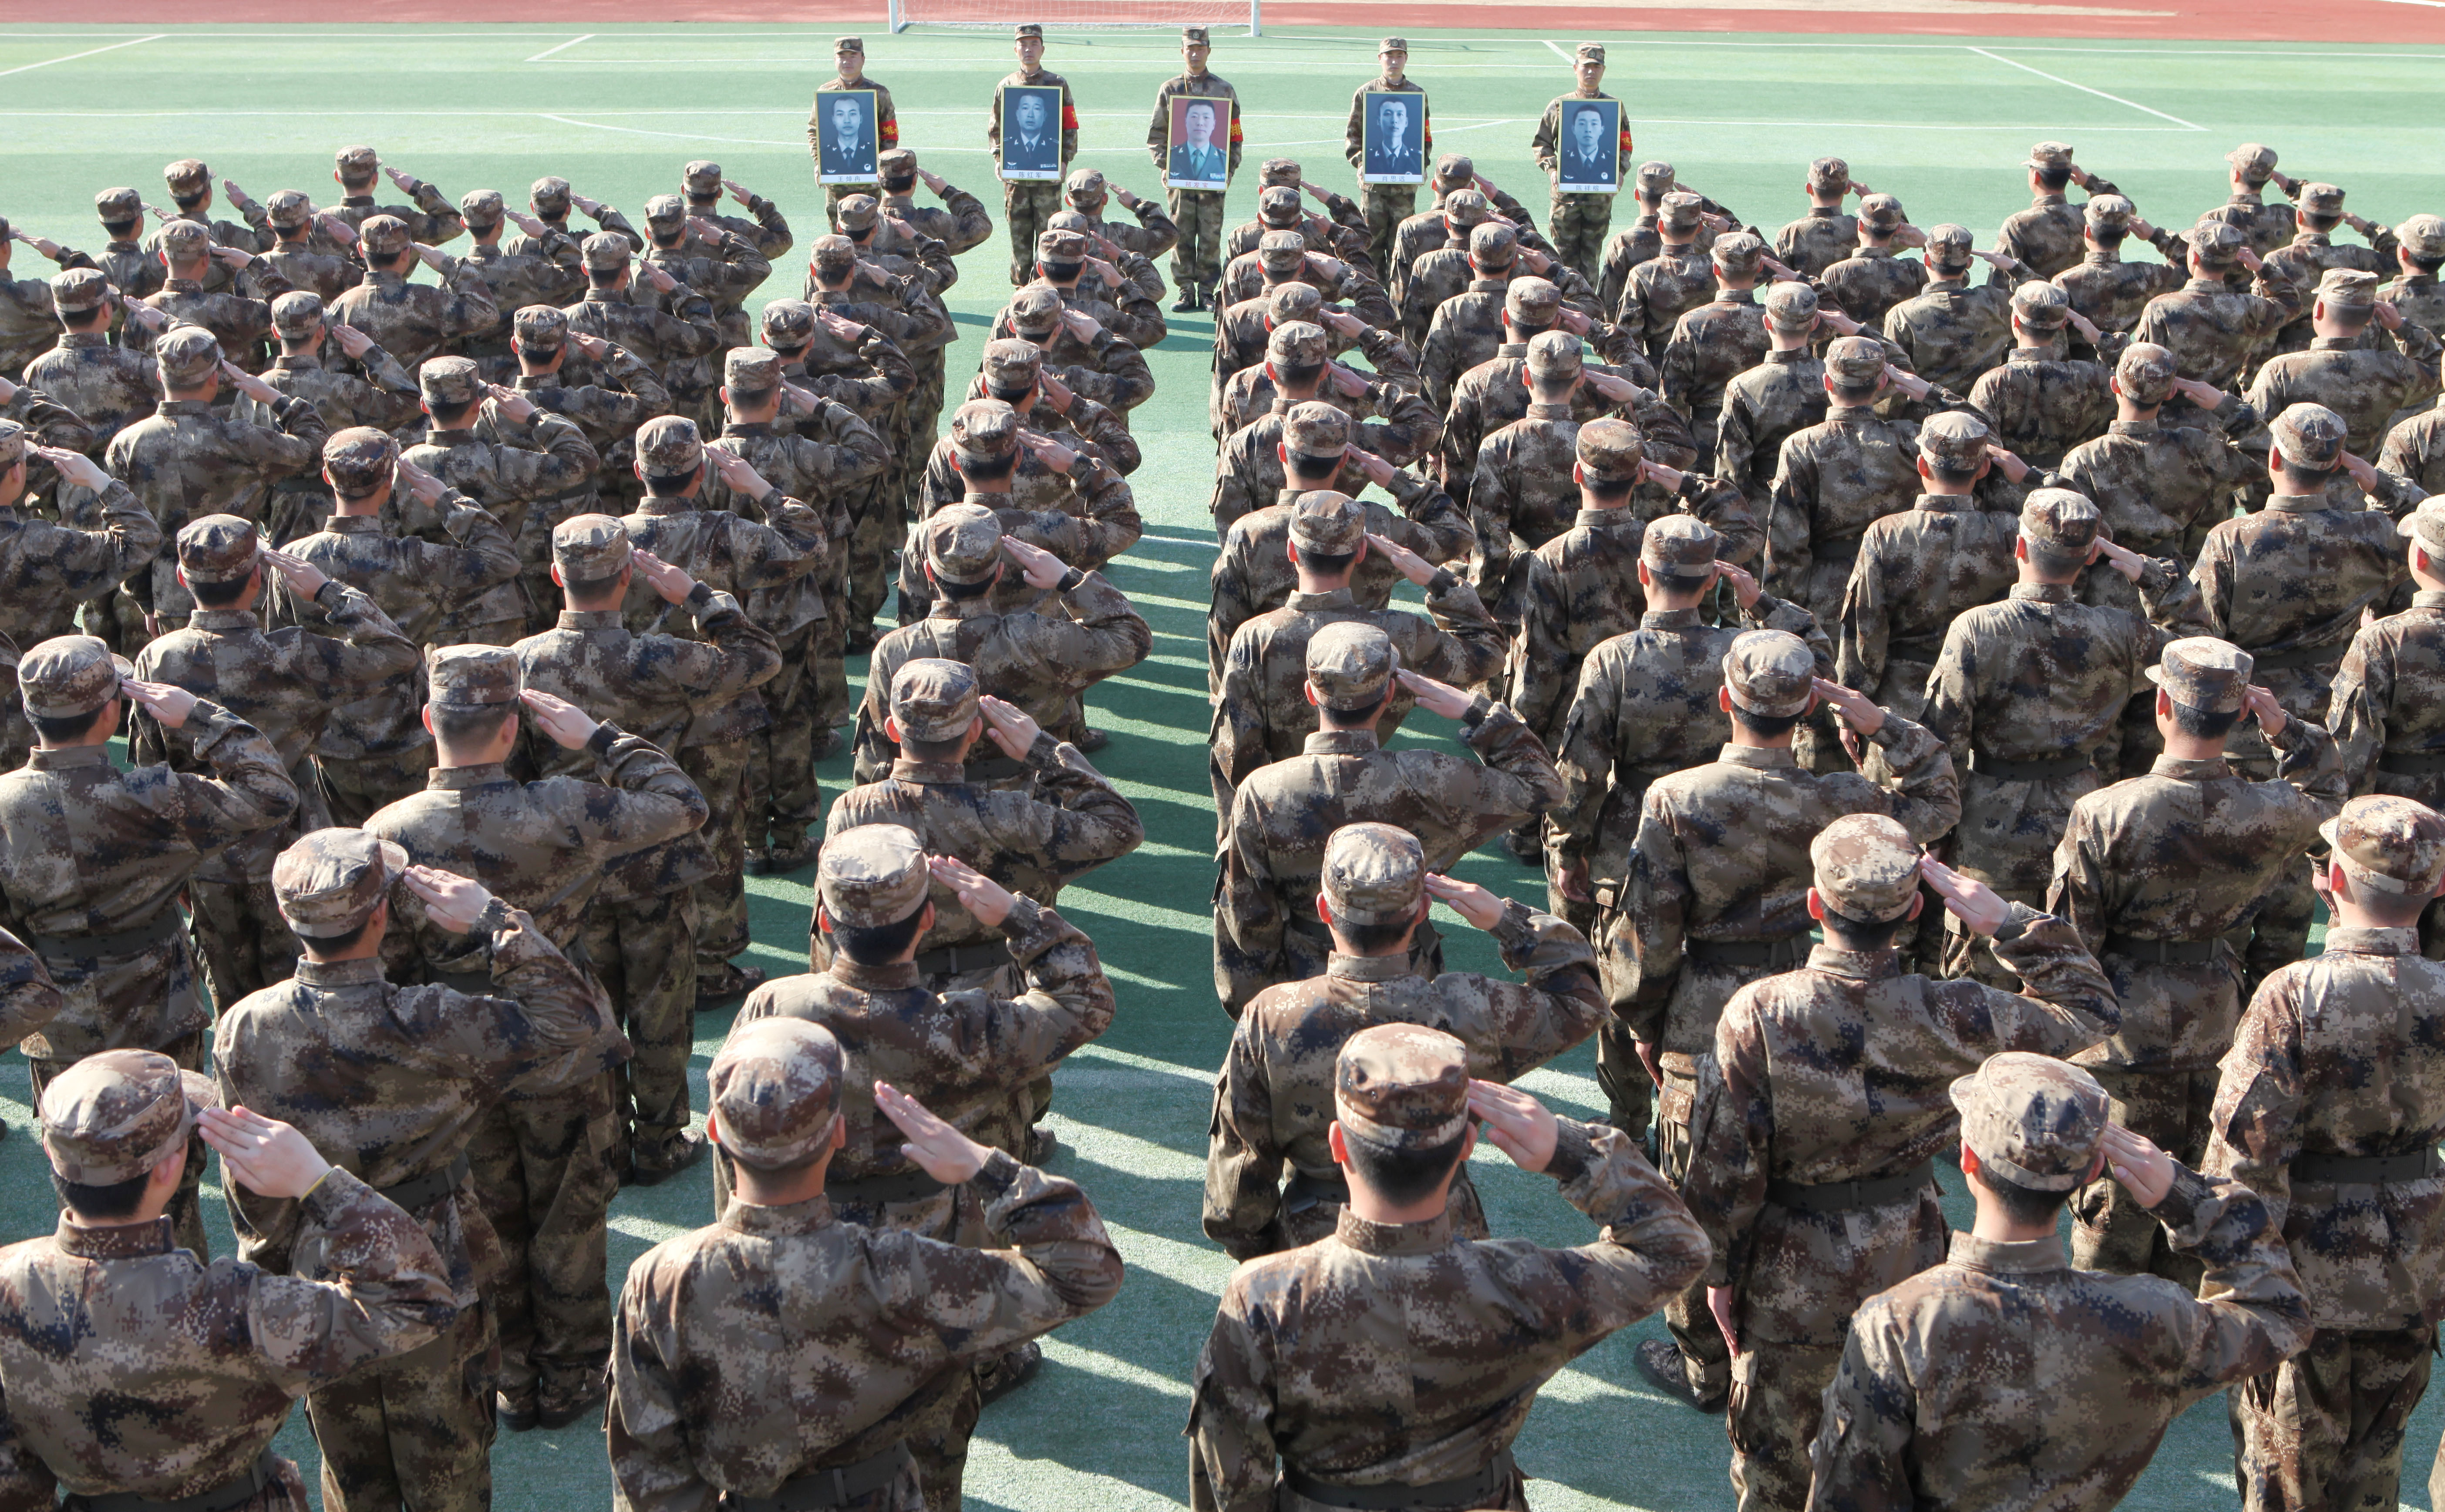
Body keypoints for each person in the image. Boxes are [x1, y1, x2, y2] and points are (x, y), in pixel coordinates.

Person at [1680, 816, 2116, 1512]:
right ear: (1915, 910)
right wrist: (2006, 921)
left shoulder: (1760, 1012)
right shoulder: (1955, 1011)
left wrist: (1720, 1275)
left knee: (1780, 1472)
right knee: (1897, 1458)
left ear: (1815, 904)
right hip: (1910, 1254)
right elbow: (2092, 1009)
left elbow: (1724, 1163)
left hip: (1789, 1267)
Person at [213, 829, 616, 1512]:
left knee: (350, 1472)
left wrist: (277, 1271)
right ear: (381, 915)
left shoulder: (243, 1027)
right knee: (449, 1470)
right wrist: (495, 918)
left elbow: (250, 1176)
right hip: (437, 1259)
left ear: (287, 915)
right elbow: (574, 1020)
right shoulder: (429, 1018)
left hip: (321, 1268)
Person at [1614, 631, 1959, 1414]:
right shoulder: (1845, 798)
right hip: (1820, 998)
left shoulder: (1676, 797)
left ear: (1725, 700)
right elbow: (1939, 799)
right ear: (1807, 708)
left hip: (1705, 1007)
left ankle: (1705, 1365)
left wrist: (1642, 1019)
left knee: (1699, 1183)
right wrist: (1879, 723)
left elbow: (1649, 928)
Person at [363, 647, 703, 1435]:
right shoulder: (562, 806)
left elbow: (387, 960)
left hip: (458, 1049)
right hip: (563, 1037)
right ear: (514, 727)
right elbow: (683, 804)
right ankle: (573, 1371)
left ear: (430, 720)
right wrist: (599, 737)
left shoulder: (388, 834)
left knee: (487, 1212)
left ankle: (516, 1375)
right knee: (570, 1211)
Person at [607, 1017, 1123, 1512]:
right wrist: (983, 1166)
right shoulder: (897, 1268)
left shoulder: (659, 1282)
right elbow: (1084, 1271)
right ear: (838, 1132)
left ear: (715, 1129)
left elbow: (649, 1473)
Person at [1187, 1022, 1709, 1511]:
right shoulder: (1522, 1283)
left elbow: (1232, 1485)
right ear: (1466, 1147)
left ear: (1338, 1145)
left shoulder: (1264, 1299)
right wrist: (1571, 1150)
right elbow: (1676, 1250)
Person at [1805, 1052, 2312, 1511]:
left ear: (1967, 1159)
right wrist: (2186, 1196)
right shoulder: (2152, 1315)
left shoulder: (1897, 1326)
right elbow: (2281, 1314)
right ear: (2093, 1171)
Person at [0, 1052, 455, 1512]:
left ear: (52, 1155)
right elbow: (418, 1300)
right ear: (168, 1169)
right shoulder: (233, 1306)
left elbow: (10, 1474)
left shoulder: (7, 1283)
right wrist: (316, 1180)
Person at [2044, 635, 2347, 1284]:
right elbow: (2330, 800)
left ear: (2163, 704)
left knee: (2113, 1222)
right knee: (2194, 1209)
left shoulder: (2104, 812)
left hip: (2121, 1036)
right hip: (2219, 1022)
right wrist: (2286, 729)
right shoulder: (2272, 810)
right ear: (2238, 715)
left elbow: (2072, 947)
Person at [0, 634, 296, 1255]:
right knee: (173, 1177)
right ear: (112, 711)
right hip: (159, 1005)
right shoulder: (156, 795)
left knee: (81, 1177)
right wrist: (199, 717)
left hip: (56, 1017)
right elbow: (271, 793)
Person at [513, 513, 781, 1179]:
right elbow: (759, 657)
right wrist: (698, 597)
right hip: (655, 859)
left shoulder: (520, 664)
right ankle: (659, 1139)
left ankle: (603, 1142)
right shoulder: (658, 657)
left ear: (557, 576)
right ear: (627, 577)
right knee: (662, 1008)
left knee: (586, 1004)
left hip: (567, 865)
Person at [1205, 823, 1606, 1258]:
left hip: (1316, 1242)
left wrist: (1265, 1258)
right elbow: (1581, 1002)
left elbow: (1238, 1175)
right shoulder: (1470, 1007)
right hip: (1445, 1237)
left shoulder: (1271, 1017)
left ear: (1324, 909)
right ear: (1422, 911)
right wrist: (1507, 921)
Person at [2204, 794, 2445, 1512]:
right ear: (2436, 886)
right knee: (2376, 1465)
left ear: (2332, 880)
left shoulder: (2294, 993)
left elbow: (2244, 1157)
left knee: (2286, 1477)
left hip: (2301, 1270)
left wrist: (2239, 1285)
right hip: (2414, 1266)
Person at [1920, 491, 2214, 985]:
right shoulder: (2119, 631)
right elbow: (2202, 660)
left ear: (2020, 547)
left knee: (1985, 977)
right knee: (2070, 965)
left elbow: (1943, 739)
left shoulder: (1977, 629)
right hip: (2084, 814)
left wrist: (1939, 832)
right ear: (2090, 556)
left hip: (1991, 822)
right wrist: (2151, 576)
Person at [129, 516, 416, 1008]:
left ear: (181, 578)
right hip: (296, 851)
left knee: (233, 1006)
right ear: (258, 579)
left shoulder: (158, 661)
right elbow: (396, 654)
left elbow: (149, 773)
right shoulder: (293, 653)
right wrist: (326, 591)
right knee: (310, 999)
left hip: (208, 852)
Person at [1214, 625, 1562, 1014]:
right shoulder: (1430, 777)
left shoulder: (1261, 791)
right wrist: (1476, 711)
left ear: (1311, 693)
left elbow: (1246, 913)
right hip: (1408, 981)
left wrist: (1254, 1007)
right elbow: (1543, 786)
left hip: (1302, 988)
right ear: (1390, 694)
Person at [2193, 404, 2421, 983]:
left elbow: (2200, 641)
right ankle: (2286, 985)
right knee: (2301, 875)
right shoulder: (2370, 534)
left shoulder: (2231, 540)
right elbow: (2432, 526)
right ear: (2337, 466)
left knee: (2230, 870)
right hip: (2326, 725)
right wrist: (2378, 481)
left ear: (2274, 457)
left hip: (2247, 719)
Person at [269, 429, 522, 824]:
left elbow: (280, 649)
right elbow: (502, 560)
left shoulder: (294, 561)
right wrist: (447, 501)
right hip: (408, 734)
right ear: (390, 484)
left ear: (327, 477)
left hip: (333, 738)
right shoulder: (411, 559)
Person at [1209, 492, 1503, 826]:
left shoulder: (1254, 638)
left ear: (1291, 551)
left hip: (1280, 814)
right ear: (1361, 552)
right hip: (1371, 810)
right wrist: (1439, 582)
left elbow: (1234, 751)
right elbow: (1488, 655)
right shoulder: (1399, 633)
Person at [854, 501, 1150, 784]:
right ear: (998, 573)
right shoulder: (1034, 638)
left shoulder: (893, 651)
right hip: (1030, 803)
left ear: (929, 572)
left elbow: (874, 758)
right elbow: (1132, 638)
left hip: (931, 806)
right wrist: (1067, 579)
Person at [2328, 497, 2445, 955]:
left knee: (2376, 968)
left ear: (2420, 558)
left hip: (2392, 831)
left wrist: (2337, 848)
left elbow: (2351, 755)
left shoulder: (2384, 640)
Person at [1148, 27, 1242, 312]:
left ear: (1209, 51)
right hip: (1181, 176)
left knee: (1211, 235)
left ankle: (1208, 292)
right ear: (1182, 52)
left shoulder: (1224, 90)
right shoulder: (1170, 89)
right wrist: (1165, 166)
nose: (1195, 53)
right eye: (1190, 48)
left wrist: (1229, 170)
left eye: (1200, 48)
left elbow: (1235, 136)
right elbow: (1157, 134)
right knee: (1182, 234)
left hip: (1213, 176)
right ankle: (1186, 291)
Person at [1531, 44, 1628, 280]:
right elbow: (1542, 144)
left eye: (1596, 67)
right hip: (1566, 201)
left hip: (1598, 201)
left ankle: (1588, 301)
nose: (1591, 72)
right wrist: (1552, 169)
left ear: (1603, 70)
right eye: (1586, 67)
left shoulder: (1614, 108)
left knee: (1591, 261)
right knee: (1562, 261)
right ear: (1576, 68)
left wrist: (1620, 171)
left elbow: (1624, 146)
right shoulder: (1559, 106)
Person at [990, 24, 1077, 287]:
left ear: (1043, 49)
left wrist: (1064, 159)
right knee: (1019, 237)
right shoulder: (1006, 86)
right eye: (1023, 44)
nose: (1028, 49)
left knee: (1050, 237)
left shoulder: (1057, 84)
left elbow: (1070, 126)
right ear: (1016, 49)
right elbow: (996, 127)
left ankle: (1049, 288)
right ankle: (1021, 289)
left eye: (1034, 44)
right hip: (1015, 182)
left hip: (1047, 180)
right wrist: (999, 158)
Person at [1344, 38, 1430, 272]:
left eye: (1399, 56)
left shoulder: (1417, 94)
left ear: (1406, 59)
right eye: (1389, 56)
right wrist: (1361, 163)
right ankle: (1371, 292)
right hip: (1374, 188)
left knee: (1402, 246)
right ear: (1380, 59)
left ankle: (1398, 293)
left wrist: (1421, 164)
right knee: (1370, 244)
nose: (1394, 61)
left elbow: (1424, 138)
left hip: (1405, 188)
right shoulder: (1365, 94)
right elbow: (1353, 137)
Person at [1995, 140, 2133, 279]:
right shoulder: (2090, 215)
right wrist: (2088, 182)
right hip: (2087, 291)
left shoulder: (2017, 225)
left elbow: (2000, 283)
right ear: (2068, 176)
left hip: (2039, 293)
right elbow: (2125, 208)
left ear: (2035, 177)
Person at [814, 36, 899, 219]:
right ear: (834, 60)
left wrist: (882, 167)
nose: (847, 61)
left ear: (863, 59)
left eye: (853, 56)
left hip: (869, 183)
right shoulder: (826, 93)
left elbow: (890, 134)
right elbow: (815, 130)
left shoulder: (879, 93)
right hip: (836, 183)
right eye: (842, 56)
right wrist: (819, 162)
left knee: (871, 230)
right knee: (837, 232)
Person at [1773, 157, 1870, 280]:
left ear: (1809, 188)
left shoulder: (1790, 233)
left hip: (1807, 292)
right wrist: (1874, 204)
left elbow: (1778, 281)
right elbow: (1894, 238)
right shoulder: (1863, 229)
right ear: (1847, 189)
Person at [822, 92, 874, 178]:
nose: (847, 121)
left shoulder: (873, 153)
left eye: (852, 114)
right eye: (840, 114)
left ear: (861, 118)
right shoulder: (824, 155)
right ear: (833, 120)